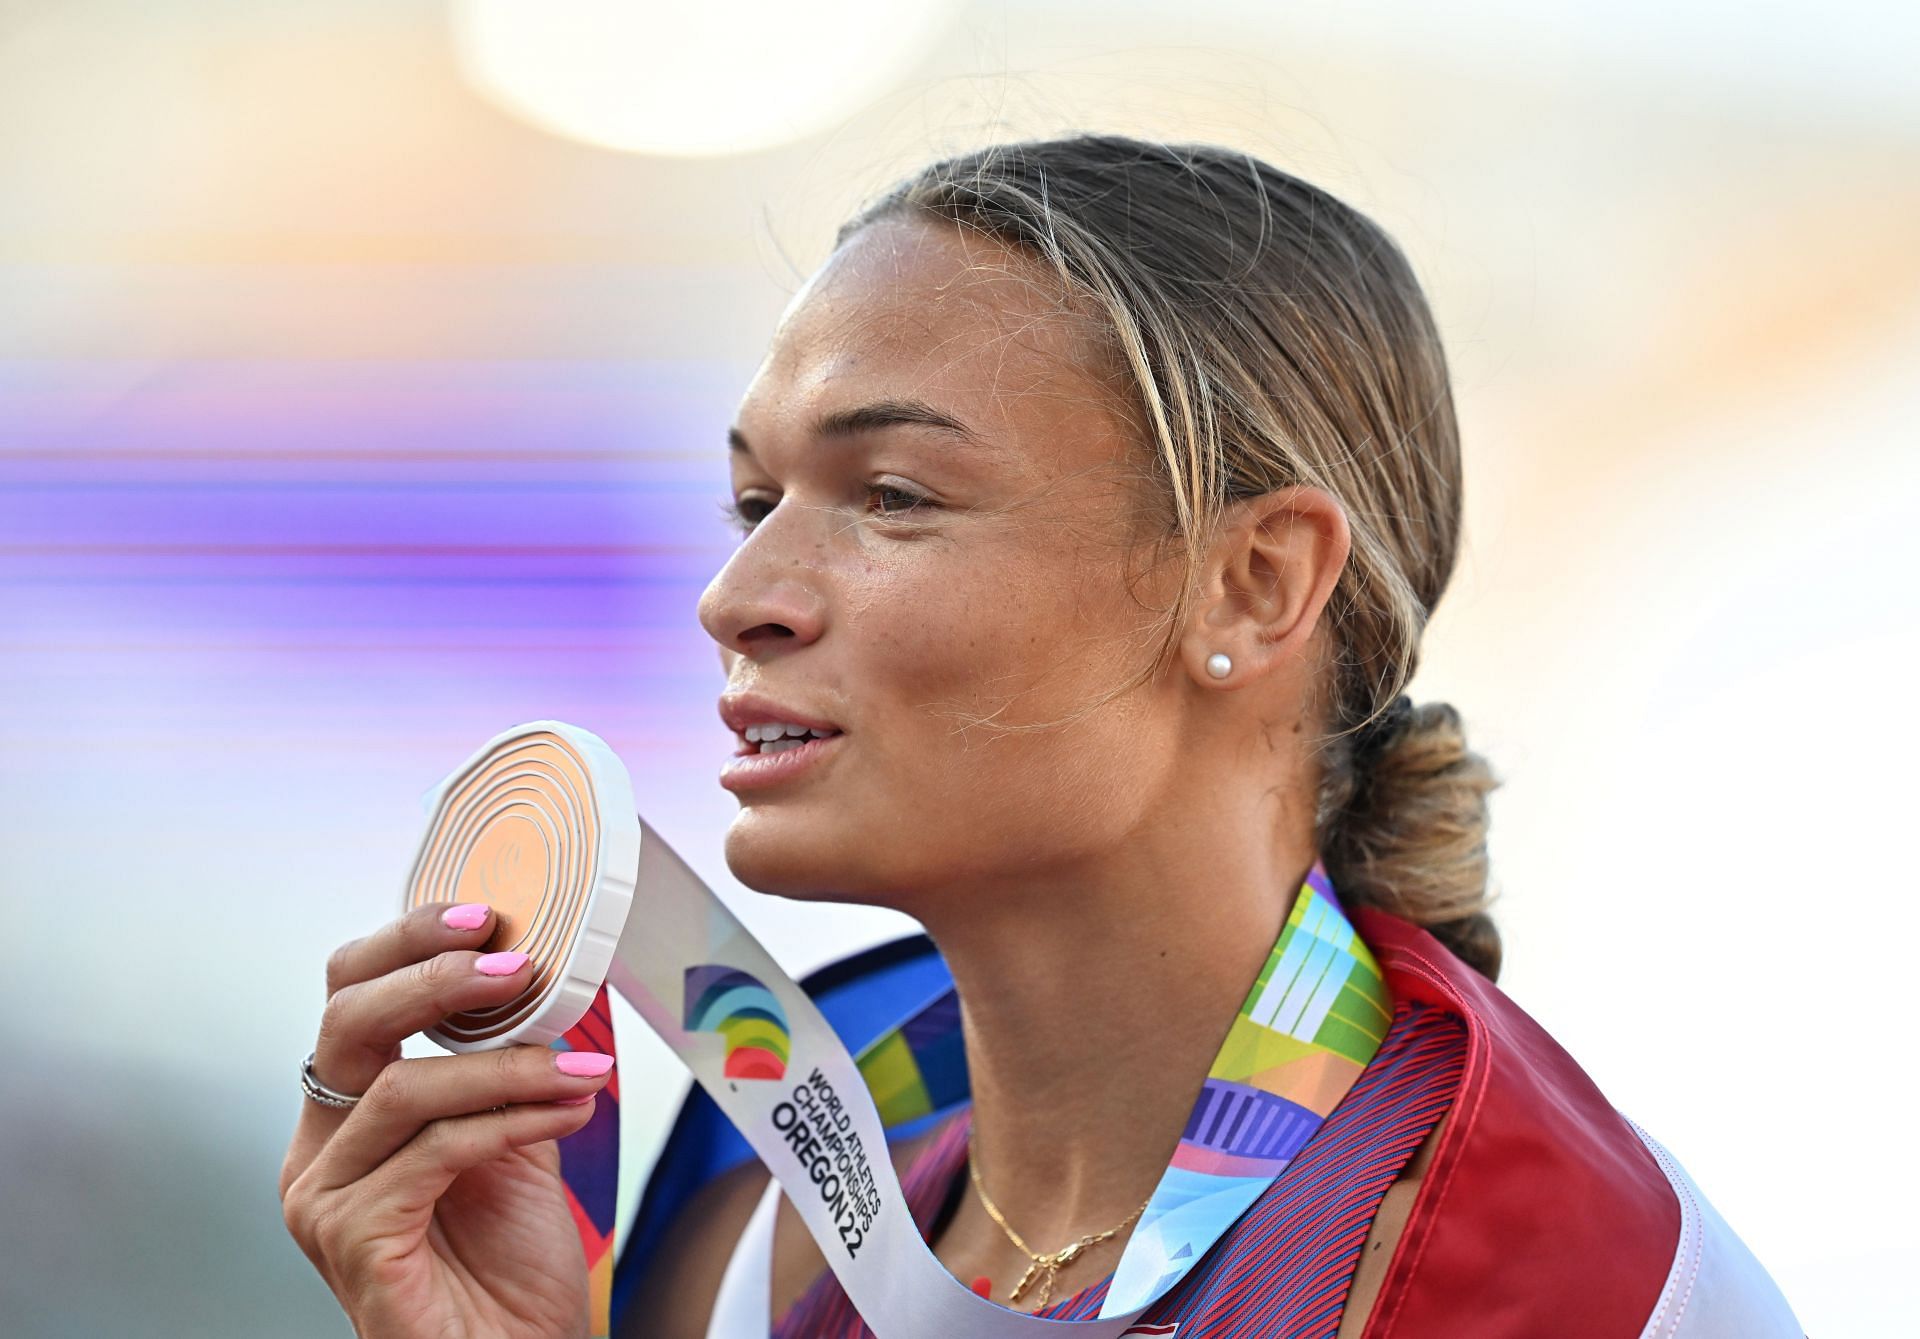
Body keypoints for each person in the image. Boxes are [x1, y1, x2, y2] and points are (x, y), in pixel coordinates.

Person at [280, 133, 1802, 1338]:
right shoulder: (755, 1214)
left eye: (892, 497)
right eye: (756, 502)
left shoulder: (1551, 1273)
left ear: (1253, 584)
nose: (738, 597)